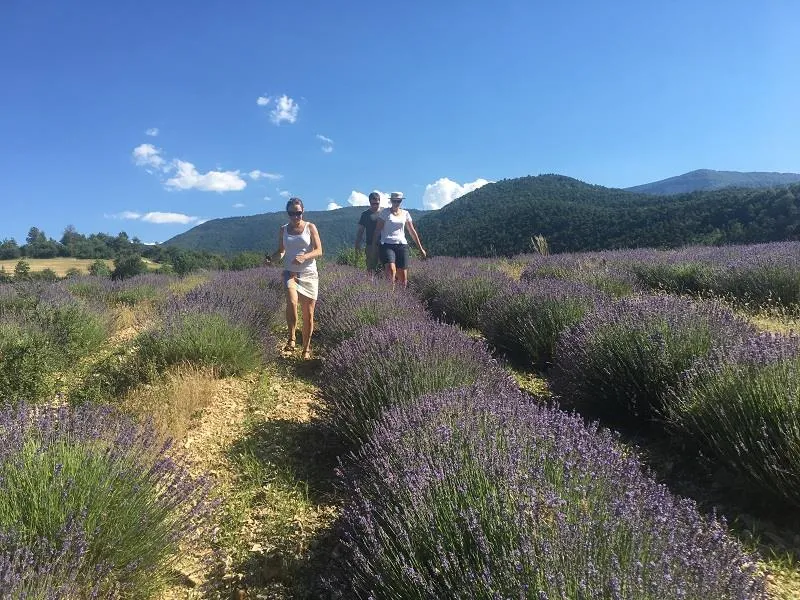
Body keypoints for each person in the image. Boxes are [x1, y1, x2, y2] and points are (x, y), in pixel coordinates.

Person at [270, 197, 323, 360]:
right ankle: (292, 337)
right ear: (288, 213)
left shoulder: (310, 227)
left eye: (298, 213)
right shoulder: (283, 230)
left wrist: (305, 256)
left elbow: (319, 250)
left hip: (308, 273)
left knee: (308, 313)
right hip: (290, 272)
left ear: (303, 212)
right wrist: (272, 259)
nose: (295, 217)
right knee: (292, 302)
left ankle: (306, 348)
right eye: (292, 213)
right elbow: (281, 250)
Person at [371, 191, 426, 287]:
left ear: (401, 201)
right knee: (391, 270)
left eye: (398, 201)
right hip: (387, 244)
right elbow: (377, 230)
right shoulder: (385, 213)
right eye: (394, 201)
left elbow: (412, 231)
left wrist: (420, 248)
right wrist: (373, 246)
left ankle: (401, 298)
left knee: (403, 277)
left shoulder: (406, 213)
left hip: (402, 245)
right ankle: (389, 297)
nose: (396, 203)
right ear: (391, 201)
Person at [354, 191, 382, 274]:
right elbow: (360, 231)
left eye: (377, 203)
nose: (375, 205)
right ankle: (372, 285)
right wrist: (357, 245)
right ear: (369, 202)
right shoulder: (365, 215)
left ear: (379, 201)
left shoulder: (384, 213)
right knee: (371, 269)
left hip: (384, 244)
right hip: (370, 245)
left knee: (385, 268)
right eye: (373, 204)